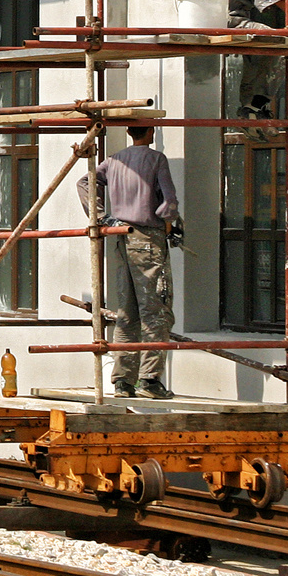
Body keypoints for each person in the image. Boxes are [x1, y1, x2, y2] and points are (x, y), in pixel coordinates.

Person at [77, 125, 180, 399]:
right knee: (157, 312)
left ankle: (123, 382)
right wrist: (170, 220)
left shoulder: (114, 160)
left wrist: (102, 216)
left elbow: (85, 182)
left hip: (122, 238)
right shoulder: (156, 159)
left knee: (128, 313)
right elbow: (168, 201)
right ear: (152, 132)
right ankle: (149, 380)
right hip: (148, 240)